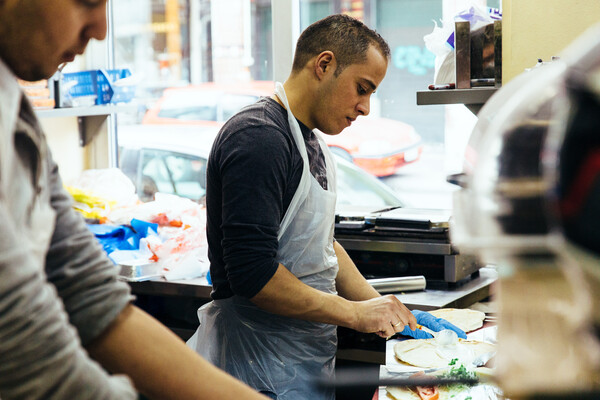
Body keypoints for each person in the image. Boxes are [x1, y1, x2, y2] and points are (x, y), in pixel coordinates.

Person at [0, 1, 270, 399]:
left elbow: (91, 294)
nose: (100, 30)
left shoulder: (14, 106)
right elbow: (39, 365)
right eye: (88, 2)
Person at [187, 14, 466, 399]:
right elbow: (253, 276)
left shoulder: (311, 142)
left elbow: (321, 243)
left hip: (298, 359)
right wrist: (354, 314)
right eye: (362, 88)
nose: (366, 107)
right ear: (324, 65)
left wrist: (386, 309)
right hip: (254, 365)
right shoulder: (259, 138)